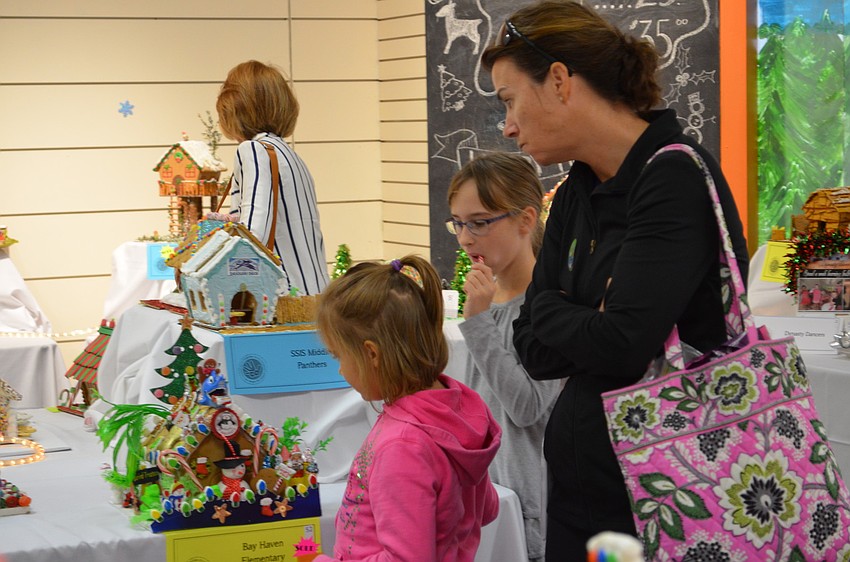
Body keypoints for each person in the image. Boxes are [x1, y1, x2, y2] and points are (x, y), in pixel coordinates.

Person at [480, 2, 750, 559]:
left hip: (671, 490)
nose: (507, 127)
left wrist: (554, 308)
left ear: (559, 81)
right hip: (584, 490)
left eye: (509, 100)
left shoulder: (673, 177)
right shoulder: (578, 188)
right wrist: (576, 317)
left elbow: (624, 345)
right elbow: (532, 347)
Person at [314, 255, 502, 562]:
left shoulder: (403, 444)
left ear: (371, 353)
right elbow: (487, 507)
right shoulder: (457, 413)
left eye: (339, 356)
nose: (340, 370)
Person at [446, 152, 560, 562]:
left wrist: (477, 323)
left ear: (526, 220)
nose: (465, 238)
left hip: (527, 504)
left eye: (479, 222)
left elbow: (528, 407)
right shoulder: (487, 299)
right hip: (486, 494)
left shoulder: (549, 304)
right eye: (458, 223)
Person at [212, 60, 329, 295]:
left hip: (281, 298)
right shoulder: (291, 156)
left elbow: (252, 237)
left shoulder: (254, 151)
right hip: (315, 294)